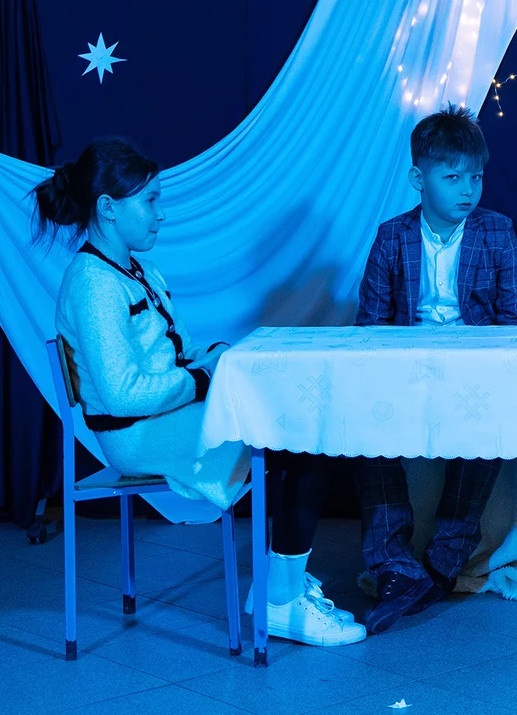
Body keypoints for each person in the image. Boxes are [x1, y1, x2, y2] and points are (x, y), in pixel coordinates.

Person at [35, 138, 364, 646]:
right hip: (135, 435)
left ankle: (279, 587)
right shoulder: (93, 284)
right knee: (300, 442)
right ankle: (279, 601)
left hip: (163, 417)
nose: (161, 214)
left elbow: (178, 350)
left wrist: (216, 358)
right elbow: (122, 395)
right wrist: (204, 380)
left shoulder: (137, 269)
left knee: (299, 433)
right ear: (108, 209)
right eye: (150, 201)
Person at [354, 103, 517, 634]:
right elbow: (371, 326)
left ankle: (442, 561)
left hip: (475, 370)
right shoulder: (392, 236)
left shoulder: (497, 231)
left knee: (488, 425)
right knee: (363, 427)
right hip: (406, 369)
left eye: (475, 177)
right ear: (419, 180)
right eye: (452, 177)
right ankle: (393, 563)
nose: (467, 190)